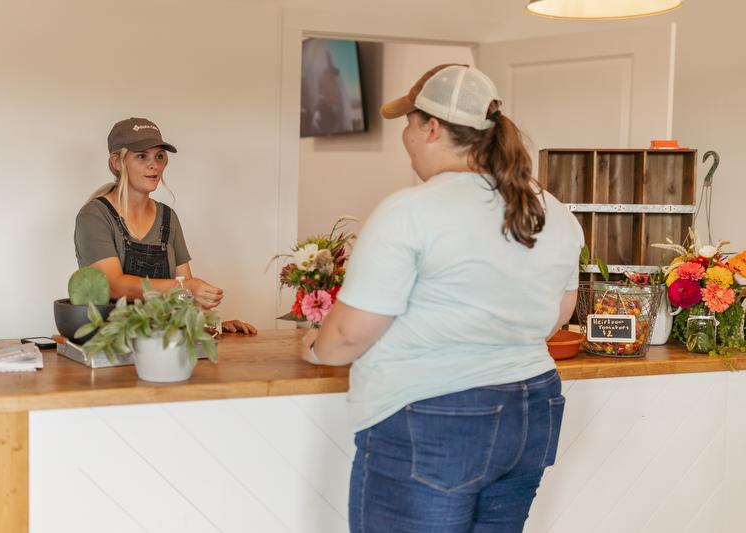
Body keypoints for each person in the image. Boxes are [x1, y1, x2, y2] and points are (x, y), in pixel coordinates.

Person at [300, 64, 584, 533]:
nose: (406, 139)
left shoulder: (411, 210)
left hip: (435, 418)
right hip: (533, 411)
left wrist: (313, 348)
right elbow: (559, 311)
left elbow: (349, 335)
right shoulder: (550, 209)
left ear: (430, 128)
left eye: (408, 125)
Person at [74, 117, 256, 334]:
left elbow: (184, 300)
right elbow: (113, 285)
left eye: (159, 156)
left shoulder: (168, 218)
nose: (154, 165)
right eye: (142, 156)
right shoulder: (94, 216)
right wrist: (184, 287)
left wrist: (213, 326)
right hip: (111, 345)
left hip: (163, 345)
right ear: (117, 163)